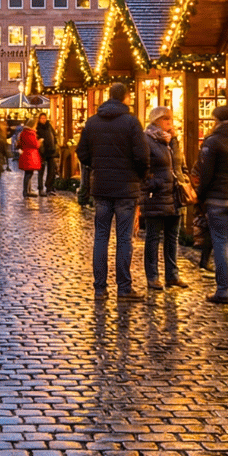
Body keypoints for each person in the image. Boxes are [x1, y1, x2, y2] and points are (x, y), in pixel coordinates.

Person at [76, 83, 150, 301]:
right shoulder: (131, 122)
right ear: (126, 97)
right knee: (124, 239)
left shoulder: (93, 122)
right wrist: (139, 175)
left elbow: (82, 152)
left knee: (101, 237)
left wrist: (96, 165)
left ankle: (100, 288)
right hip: (126, 188)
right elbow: (142, 156)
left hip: (102, 186)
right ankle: (124, 288)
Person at [195, 103, 228, 303]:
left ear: (217, 120)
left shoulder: (214, 141)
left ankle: (223, 290)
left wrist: (200, 196)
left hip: (219, 198)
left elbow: (206, 173)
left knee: (221, 242)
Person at [141, 107, 189, 290]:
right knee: (153, 237)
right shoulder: (147, 139)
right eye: (166, 118)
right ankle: (152, 276)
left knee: (172, 236)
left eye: (171, 118)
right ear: (156, 121)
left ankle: (172, 275)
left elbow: (180, 163)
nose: (170, 121)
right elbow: (142, 166)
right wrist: (153, 183)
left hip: (175, 195)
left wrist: (183, 179)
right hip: (157, 195)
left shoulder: (174, 140)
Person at [17, 121, 43, 197]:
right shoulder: (30, 133)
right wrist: (40, 141)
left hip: (25, 154)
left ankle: (28, 190)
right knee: (29, 174)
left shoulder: (23, 132)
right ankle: (26, 191)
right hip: (30, 155)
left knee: (28, 173)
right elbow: (35, 144)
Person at [36, 112, 58, 196]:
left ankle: (49, 188)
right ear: (39, 119)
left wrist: (55, 143)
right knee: (41, 171)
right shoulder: (37, 127)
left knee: (51, 171)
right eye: (42, 118)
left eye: (44, 118)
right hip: (42, 152)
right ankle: (40, 188)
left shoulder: (49, 126)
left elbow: (54, 135)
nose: (43, 120)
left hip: (51, 151)